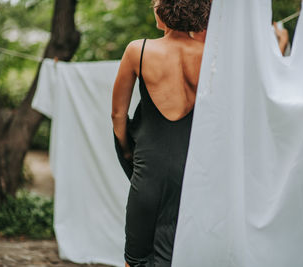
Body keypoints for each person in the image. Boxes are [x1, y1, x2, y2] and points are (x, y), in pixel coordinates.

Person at [111, 0, 211, 266]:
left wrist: (127, 151)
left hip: (149, 169)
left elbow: (118, 115)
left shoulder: (139, 50)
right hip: (190, 173)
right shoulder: (209, 56)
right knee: (177, 256)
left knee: (136, 258)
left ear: (166, 8)